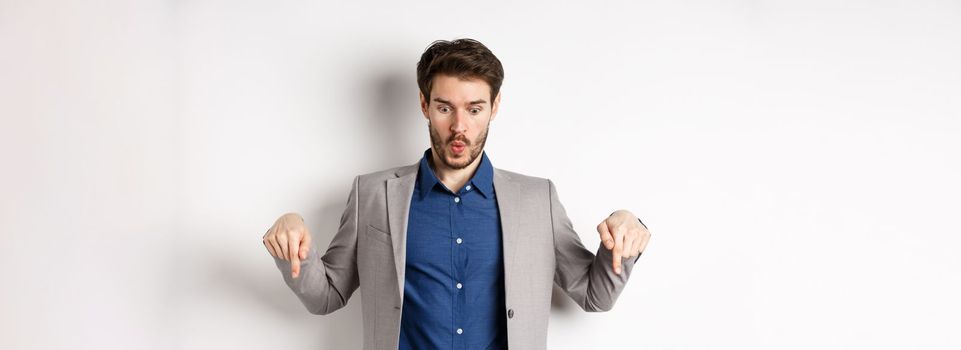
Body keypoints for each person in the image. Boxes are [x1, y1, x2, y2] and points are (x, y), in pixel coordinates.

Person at [262, 38, 652, 350]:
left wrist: (625, 234)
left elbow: (595, 295)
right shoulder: (373, 194)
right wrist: (294, 246)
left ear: (495, 107)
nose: (459, 126)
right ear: (424, 105)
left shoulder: (538, 200)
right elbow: (325, 296)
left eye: (475, 108)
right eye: (445, 108)